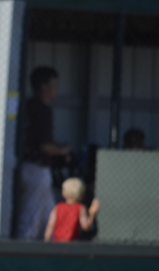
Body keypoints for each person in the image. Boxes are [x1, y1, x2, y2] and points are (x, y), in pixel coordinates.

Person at [16, 66, 73, 240]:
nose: (57, 88)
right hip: (36, 170)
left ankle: (49, 255)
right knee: (31, 218)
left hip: (29, 168)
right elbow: (44, 147)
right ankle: (21, 256)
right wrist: (64, 150)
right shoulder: (41, 108)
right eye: (54, 84)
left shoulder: (29, 105)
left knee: (49, 217)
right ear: (43, 86)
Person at [44, 177, 100, 242]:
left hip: (57, 243)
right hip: (71, 246)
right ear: (81, 195)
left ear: (63, 194)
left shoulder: (58, 207)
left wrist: (46, 241)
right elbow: (86, 226)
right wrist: (92, 213)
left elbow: (50, 225)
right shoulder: (80, 208)